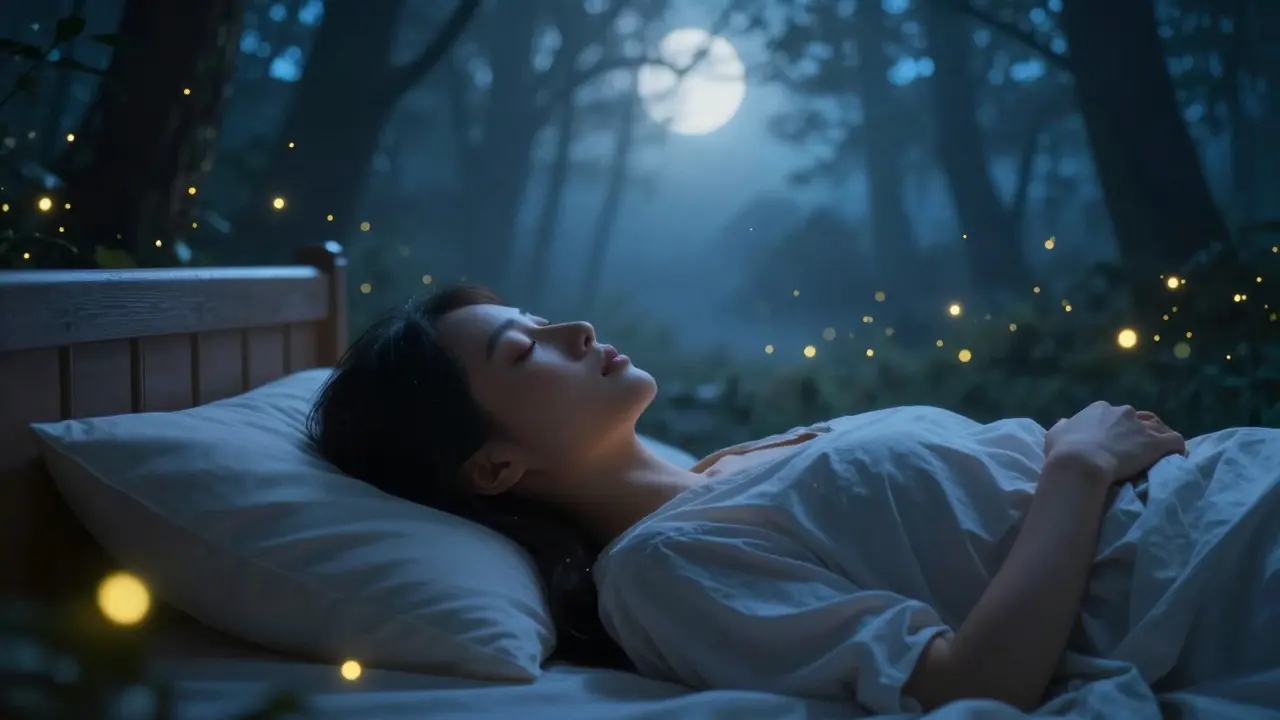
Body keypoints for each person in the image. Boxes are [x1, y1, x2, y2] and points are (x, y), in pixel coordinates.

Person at [306, 286, 1244, 714]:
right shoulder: (661, 569)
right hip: (1219, 575)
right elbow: (972, 687)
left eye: (539, 316)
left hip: (1227, 490)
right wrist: (1078, 467)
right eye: (525, 349)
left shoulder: (725, 466)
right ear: (494, 468)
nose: (572, 327)